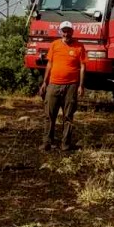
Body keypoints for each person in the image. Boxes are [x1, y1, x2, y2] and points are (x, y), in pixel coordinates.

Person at [38, 21, 86, 151]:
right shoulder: (54, 45)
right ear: (61, 32)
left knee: (68, 116)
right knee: (49, 115)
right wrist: (44, 82)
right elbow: (49, 64)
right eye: (64, 31)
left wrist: (81, 85)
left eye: (68, 31)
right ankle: (47, 142)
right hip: (53, 84)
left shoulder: (79, 47)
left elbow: (82, 67)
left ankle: (66, 144)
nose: (66, 33)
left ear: (72, 32)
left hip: (71, 86)